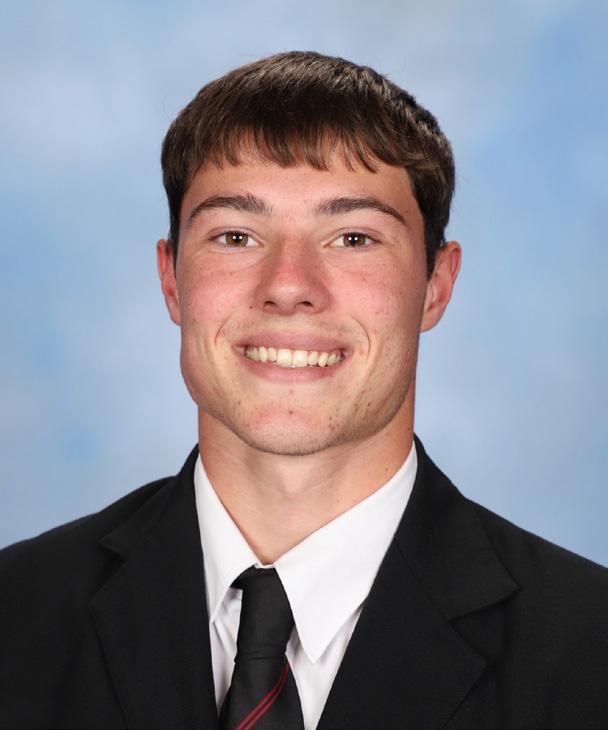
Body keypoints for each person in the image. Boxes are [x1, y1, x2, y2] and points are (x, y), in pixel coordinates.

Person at [1, 51, 607, 730]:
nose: (288, 285)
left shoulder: (589, 652)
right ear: (172, 280)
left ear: (436, 285)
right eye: (236, 236)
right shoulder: (16, 615)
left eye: (353, 238)